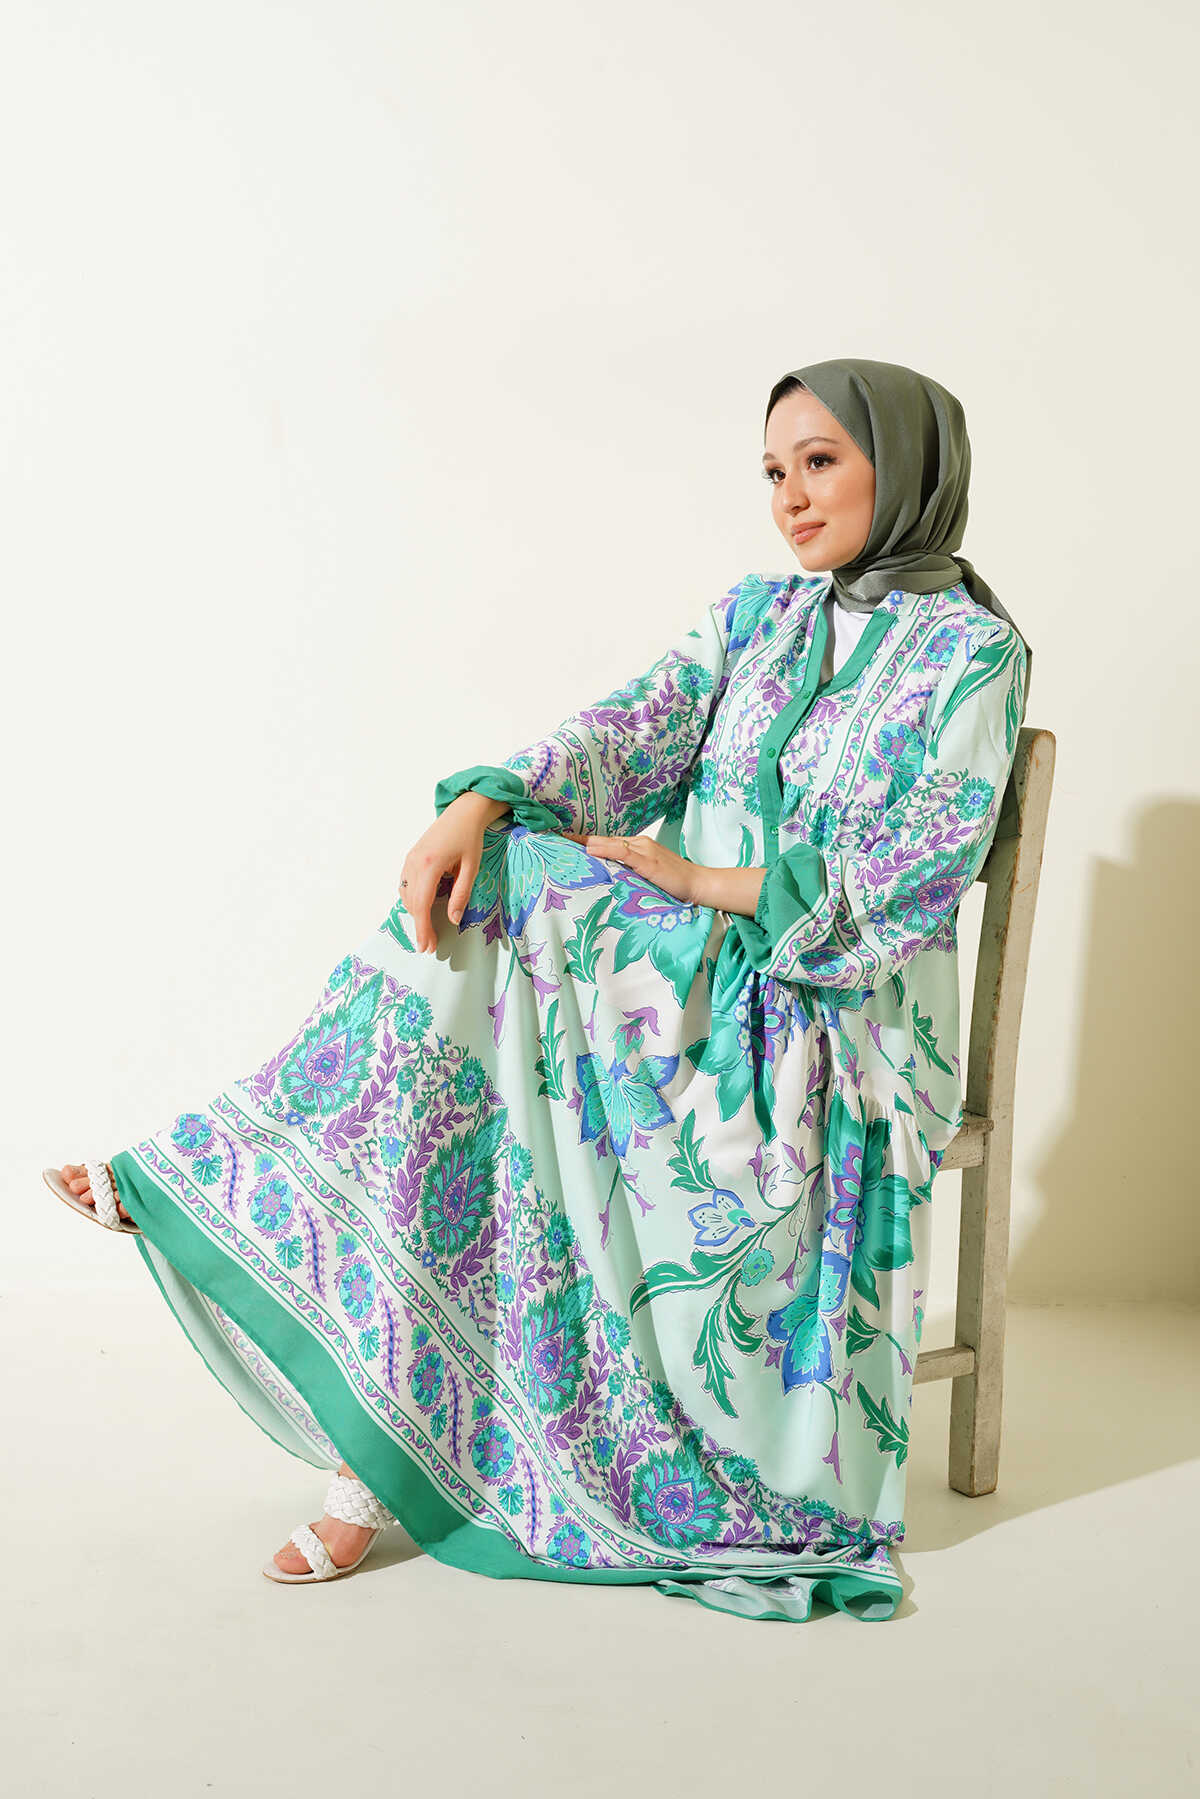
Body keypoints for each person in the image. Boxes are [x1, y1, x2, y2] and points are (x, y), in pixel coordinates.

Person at [47, 356, 1030, 1623]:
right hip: (683, 983)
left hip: (839, 1017)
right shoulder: (761, 617)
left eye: (822, 460)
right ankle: (371, 1429)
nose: (790, 496)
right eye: (773, 470)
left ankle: (235, 1184)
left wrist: (699, 879)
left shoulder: (974, 654)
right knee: (494, 914)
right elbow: (628, 728)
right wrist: (482, 799)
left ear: (909, 463)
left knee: (511, 940)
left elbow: (906, 881)